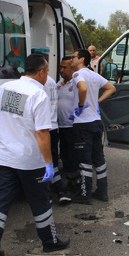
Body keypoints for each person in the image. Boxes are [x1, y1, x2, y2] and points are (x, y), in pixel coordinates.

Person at [0, 54, 69, 256]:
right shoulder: (39, 96)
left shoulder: (3, 89)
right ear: (40, 72)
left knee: (0, 203)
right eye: (47, 71)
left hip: (5, 158)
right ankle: (49, 242)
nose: (47, 75)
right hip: (30, 161)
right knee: (40, 202)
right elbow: (42, 133)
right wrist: (49, 163)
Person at [69, 49, 116, 204]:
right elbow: (111, 88)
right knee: (99, 158)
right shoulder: (94, 75)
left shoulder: (77, 74)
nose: (71, 60)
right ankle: (102, 191)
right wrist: (97, 102)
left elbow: (82, 88)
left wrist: (81, 104)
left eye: (73, 57)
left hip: (82, 124)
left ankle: (85, 193)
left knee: (84, 159)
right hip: (96, 121)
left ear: (81, 59)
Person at [40, 55, 71, 204]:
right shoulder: (53, 82)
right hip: (53, 126)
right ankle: (60, 191)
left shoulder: (41, 83)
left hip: (43, 128)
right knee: (51, 161)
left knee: (44, 162)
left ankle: (48, 194)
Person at [56, 56, 79, 196]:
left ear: (72, 69)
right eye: (61, 67)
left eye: (65, 67)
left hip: (73, 126)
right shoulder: (58, 84)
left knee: (73, 157)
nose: (61, 70)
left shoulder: (77, 84)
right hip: (61, 126)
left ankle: (77, 186)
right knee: (64, 156)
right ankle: (70, 182)